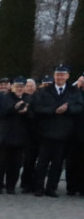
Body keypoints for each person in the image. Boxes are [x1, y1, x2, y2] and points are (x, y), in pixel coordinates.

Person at [32, 64, 83, 198]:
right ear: (54, 76)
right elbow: (37, 107)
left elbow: (79, 107)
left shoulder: (74, 91)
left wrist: (68, 109)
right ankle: (39, 187)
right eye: (57, 74)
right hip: (46, 132)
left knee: (57, 163)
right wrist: (54, 110)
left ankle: (51, 188)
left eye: (62, 74)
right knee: (42, 162)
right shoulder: (44, 91)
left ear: (67, 76)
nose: (59, 77)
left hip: (64, 133)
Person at [0, 77, 31, 195]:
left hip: (20, 136)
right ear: (12, 87)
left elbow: (33, 116)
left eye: (21, 86)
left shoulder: (28, 98)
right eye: (17, 86)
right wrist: (14, 108)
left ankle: (11, 186)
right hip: (5, 135)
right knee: (1, 162)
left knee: (16, 164)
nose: (19, 89)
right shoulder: (5, 97)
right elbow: (1, 112)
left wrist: (26, 112)